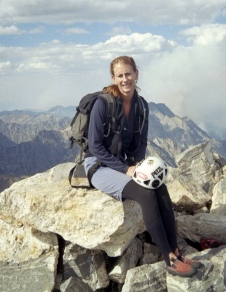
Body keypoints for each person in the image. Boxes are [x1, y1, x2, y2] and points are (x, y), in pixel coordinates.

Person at [84, 55, 200, 277]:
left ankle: (176, 250)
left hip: (124, 163)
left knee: (160, 187)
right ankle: (169, 259)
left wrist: (137, 164)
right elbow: (95, 146)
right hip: (98, 166)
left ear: (136, 74)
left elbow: (141, 143)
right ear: (113, 78)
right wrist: (125, 169)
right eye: (120, 75)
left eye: (128, 74)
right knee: (146, 193)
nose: (125, 79)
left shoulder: (142, 107)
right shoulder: (103, 103)